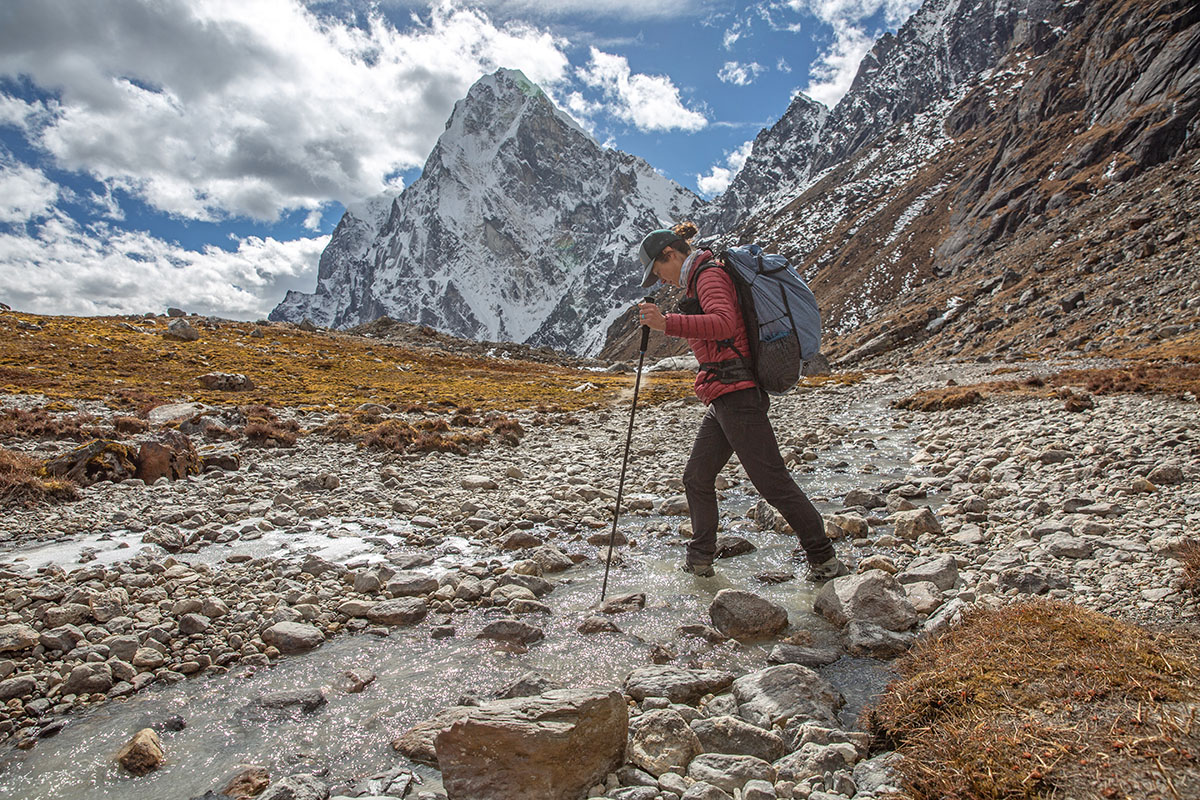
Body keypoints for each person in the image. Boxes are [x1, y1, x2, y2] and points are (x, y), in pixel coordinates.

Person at [635, 222, 849, 581]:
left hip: (737, 395)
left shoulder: (708, 275)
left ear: (670, 254)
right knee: (696, 478)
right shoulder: (698, 278)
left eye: (658, 271)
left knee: (773, 483)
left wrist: (667, 323)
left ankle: (824, 560)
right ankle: (699, 561)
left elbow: (723, 324)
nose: (662, 281)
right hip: (724, 395)